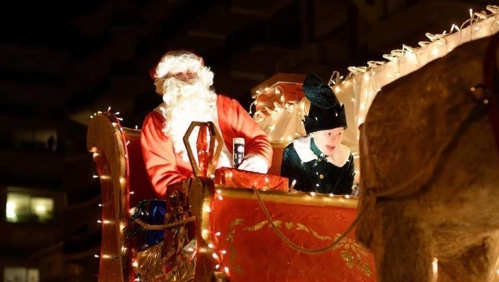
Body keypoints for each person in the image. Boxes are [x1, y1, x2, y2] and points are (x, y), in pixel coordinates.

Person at [141, 50, 273, 198]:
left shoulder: (227, 106)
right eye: (177, 75)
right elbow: (163, 176)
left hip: (242, 191)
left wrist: (257, 160)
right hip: (192, 204)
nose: (185, 78)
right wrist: (201, 195)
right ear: (165, 82)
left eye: (190, 73)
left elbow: (258, 140)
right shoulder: (156, 121)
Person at [280, 73, 355, 195]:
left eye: (339, 133)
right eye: (329, 133)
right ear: (313, 133)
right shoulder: (294, 153)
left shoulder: (346, 158)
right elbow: (290, 195)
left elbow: (344, 197)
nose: (335, 140)